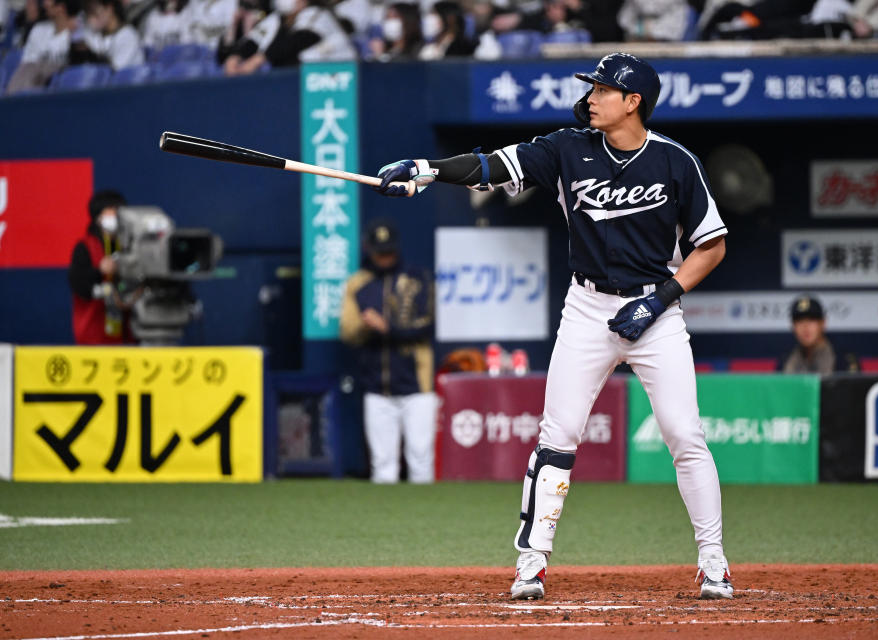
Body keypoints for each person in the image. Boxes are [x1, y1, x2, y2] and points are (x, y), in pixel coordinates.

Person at [373, 53, 733, 601]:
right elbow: (491, 164)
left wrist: (661, 299)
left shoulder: (674, 161)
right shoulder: (567, 148)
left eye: (602, 89)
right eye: (591, 87)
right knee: (557, 435)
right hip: (587, 308)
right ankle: (532, 562)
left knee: (685, 435)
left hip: (654, 314)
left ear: (633, 101)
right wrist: (425, 171)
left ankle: (714, 563)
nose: (591, 96)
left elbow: (711, 246)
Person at [339, 219, 437, 484]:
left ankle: (427, 522)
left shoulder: (417, 278)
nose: (385, 257)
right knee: (383, 467)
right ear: (369, 249)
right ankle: (384, 523)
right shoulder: (358, 284)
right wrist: (365, 324)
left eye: (389, 251)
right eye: (380, 251)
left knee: (421, 461)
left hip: (417, 384)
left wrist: (387, 328)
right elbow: (347, 332)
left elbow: (427, 327)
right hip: (377, 386)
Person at [68, 190, 137, 345]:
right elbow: (79, 285)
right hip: (95, 336)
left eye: (117, 211)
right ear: (97, 217)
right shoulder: (85, 247)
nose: (114, 216)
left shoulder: (131, 245)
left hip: (128, 337)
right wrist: (100, 271)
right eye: (109, 211)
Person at [220, 0, 353, 74]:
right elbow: (254, 39)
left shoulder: (318, 14)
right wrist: (235, 57)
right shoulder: (278, 18)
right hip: (309, 81)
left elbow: (296, 41)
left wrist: (256, 61)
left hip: (342, 76)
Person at [4, 0, 81, 95]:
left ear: (61, 8)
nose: (44, 3)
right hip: (33, 85)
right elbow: (27, 67)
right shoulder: (38, 30)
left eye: (48, 1)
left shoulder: (79, 32)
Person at [780, 295, 859, 374]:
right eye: (800, 321)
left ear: (823, 323)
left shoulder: (843, 359)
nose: (805, 326)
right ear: (793, 326)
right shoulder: (786, 359)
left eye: (811, 320)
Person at [73, 0, 145, 70]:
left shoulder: (128, 35)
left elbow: (115, 71)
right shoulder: (94, 36)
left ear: (109, 8)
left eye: (94, 13)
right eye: (88, 14)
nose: (90, 19)